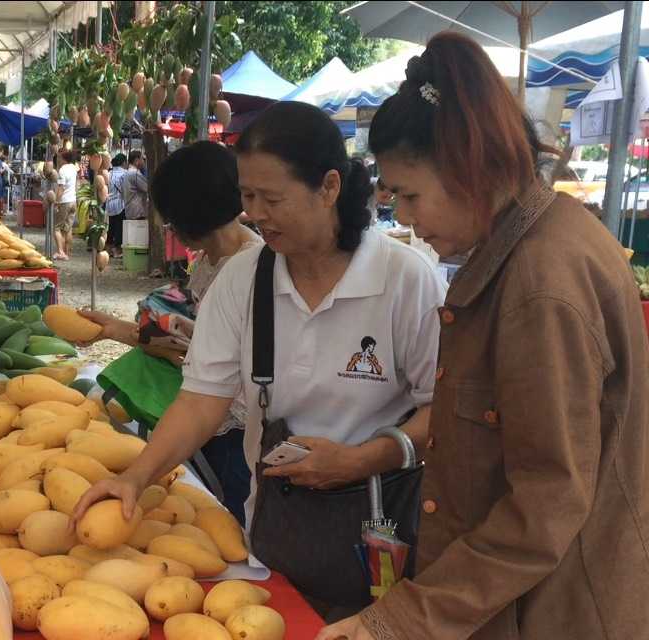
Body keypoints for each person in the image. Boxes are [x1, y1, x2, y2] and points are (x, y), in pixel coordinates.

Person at [318, 33, 649, 640]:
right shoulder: (526, 247)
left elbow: (545, 503)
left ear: (470, 163)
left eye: (412, 195)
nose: (408, 219)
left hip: (551, 613)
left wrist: (400, 621)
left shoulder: (542, 279)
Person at [73, 101, 446, 617]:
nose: (255, 213)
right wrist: (135, 477)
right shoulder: (243, 278)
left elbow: (446, 411)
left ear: (329, 187)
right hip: (276, 531)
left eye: (272, 197)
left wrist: (364, 458)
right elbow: (202, 400)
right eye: (247, 196)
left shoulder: (407, 280)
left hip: (379, 531)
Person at [79, 141, 263, 522]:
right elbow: (189, 344)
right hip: (204, 424)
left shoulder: (251, 271)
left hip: (235, 434)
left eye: (171, 218)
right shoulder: (208, 263)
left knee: (232, 522)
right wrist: (114, 329)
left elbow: (213, 364)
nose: (169, 227)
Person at [54, 150, 80, 260]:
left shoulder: (62, 170)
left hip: (64, 201)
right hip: (73, 200)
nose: (58, 160)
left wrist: (56, 202)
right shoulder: (74, 168)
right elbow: (76, 185)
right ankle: (66, 252)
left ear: (63, 159)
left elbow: (61, 188)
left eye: (59, 158)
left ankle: (60, 251)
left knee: (55, 228)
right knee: (68, 229)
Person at [105, 153, 128, 256]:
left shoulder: (109, 173)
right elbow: (125, 190)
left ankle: (108, 248)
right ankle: (117, 249)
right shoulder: (125, 173)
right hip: (120, 203)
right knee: (119, 227)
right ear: (123, 162)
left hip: (110, 203)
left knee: (111, 226)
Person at [121, 150, 150, 223]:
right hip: (137, 212)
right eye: (143, 159)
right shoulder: (135, 173)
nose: (144, 162)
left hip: (130, 211)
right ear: (137, 160)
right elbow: (147, 188)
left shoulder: (127, 172)